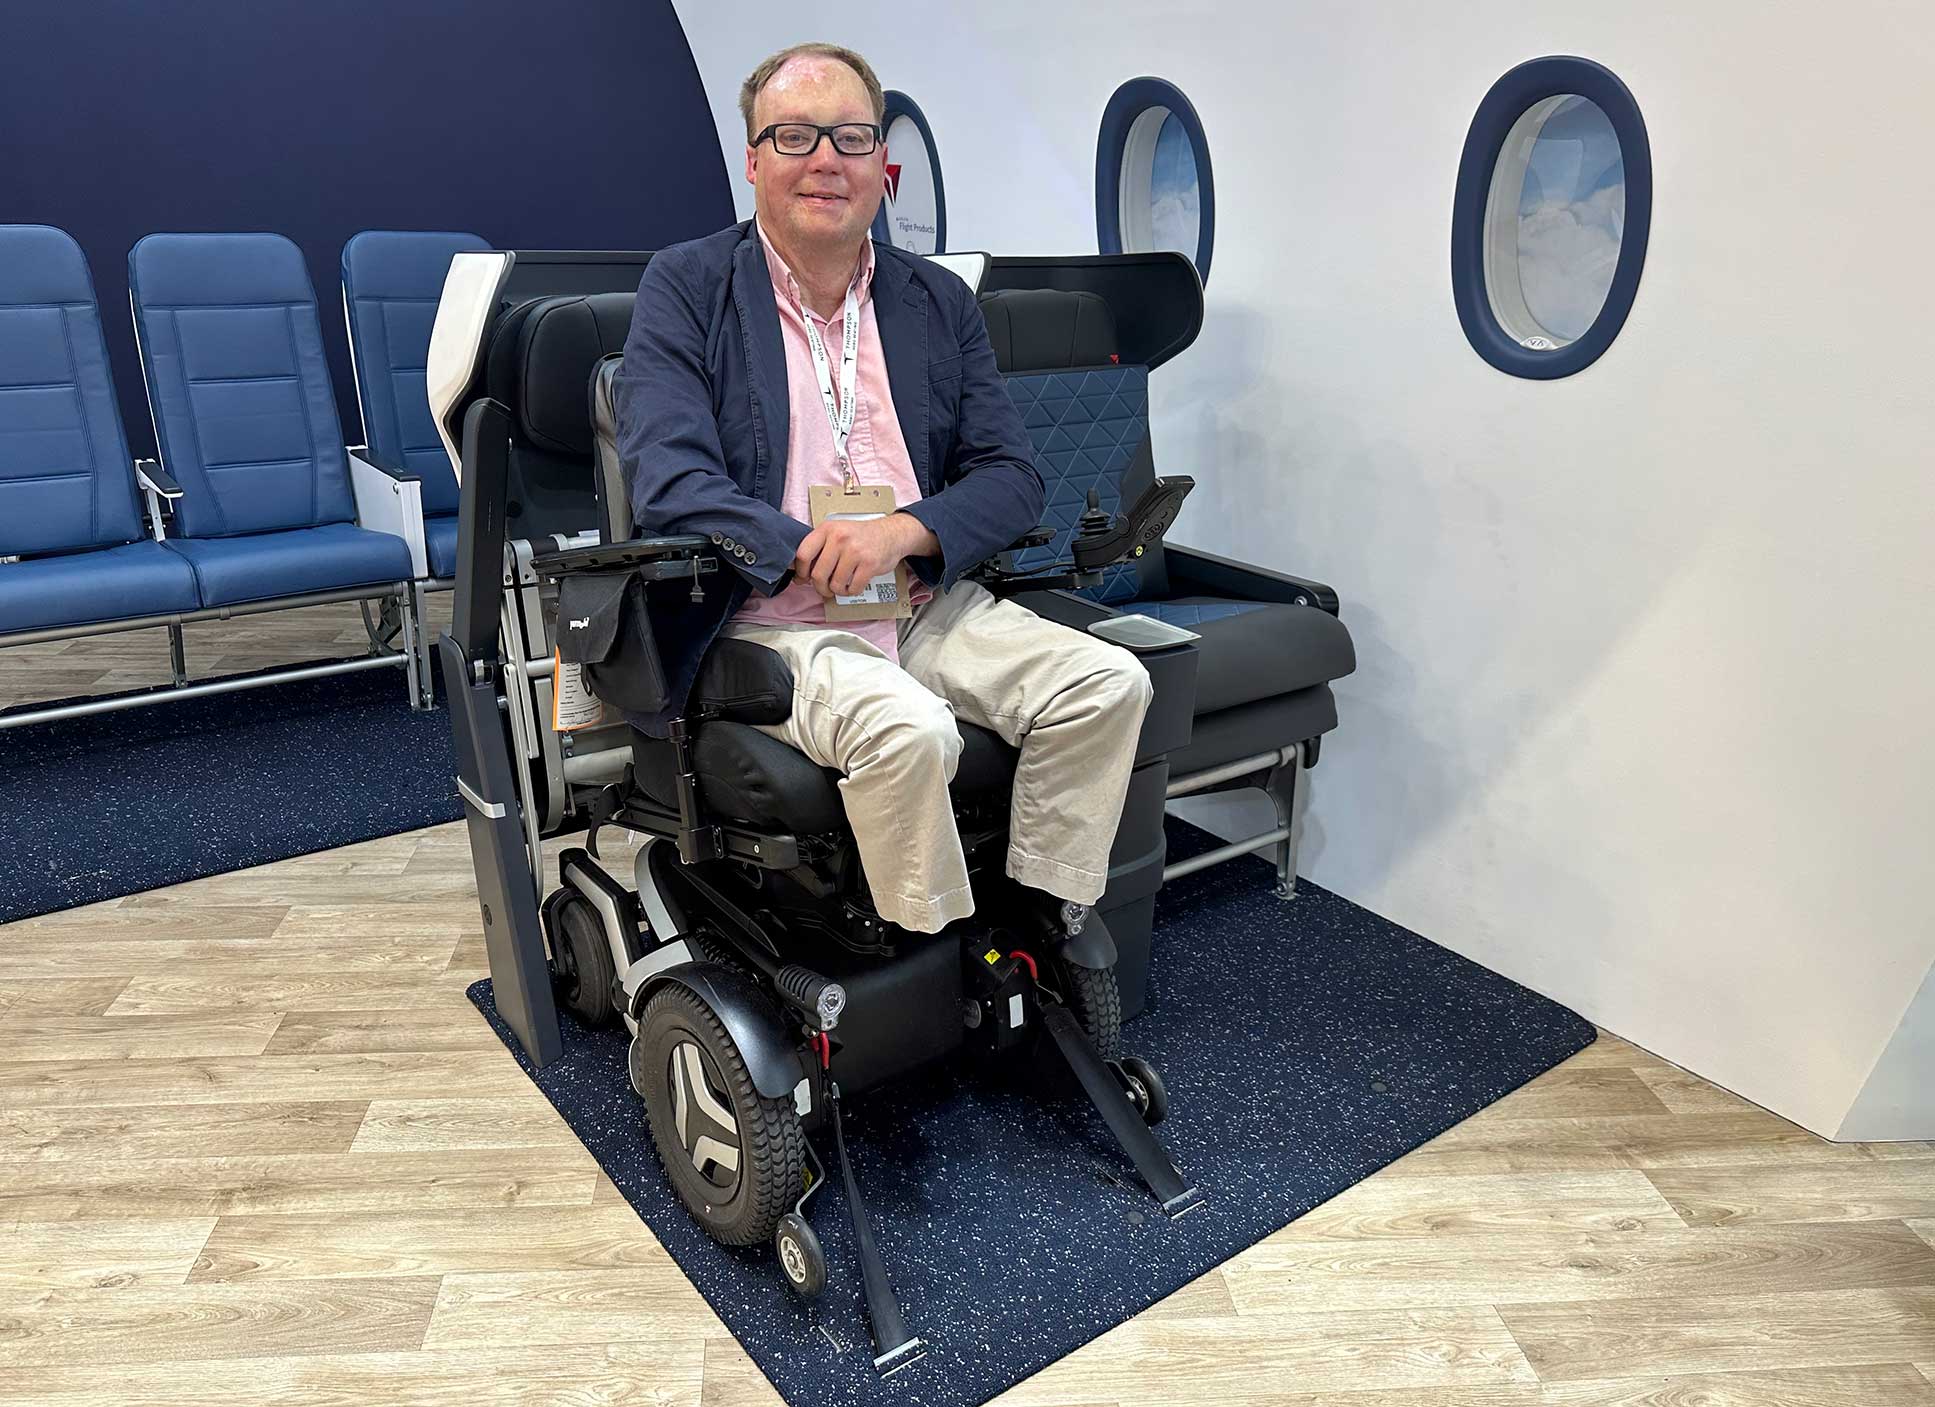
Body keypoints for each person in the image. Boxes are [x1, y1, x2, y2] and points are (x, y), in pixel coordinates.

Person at [611, 41, 1153, 935]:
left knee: (1107, 684)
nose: (825, 158)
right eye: (793, 136)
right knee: (914, 734)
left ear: (882, 166)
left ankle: (1037, 913)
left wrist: (901, 533)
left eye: (851, 137)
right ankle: (928, 943)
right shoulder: (688, 285)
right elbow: (670, 479)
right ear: (753, 162)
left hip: (918, 599)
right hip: (771, 619)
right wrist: (807, 551)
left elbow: (1013, 478)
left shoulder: (936, 298)